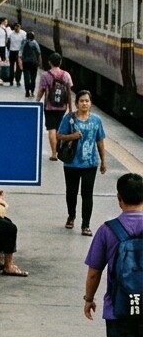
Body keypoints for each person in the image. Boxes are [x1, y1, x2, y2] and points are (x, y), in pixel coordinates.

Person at [82, 172, 143, 337]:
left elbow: (95, 270)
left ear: (119, 199)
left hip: (119, 311)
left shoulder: (109, 230)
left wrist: (89, 298)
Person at [59, 89, 107, 235]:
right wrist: (72, 136)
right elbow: (59, 135)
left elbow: (100, 140)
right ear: (76, 103)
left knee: (87, 194)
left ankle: (85, 225)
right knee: (71, 192)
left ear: (91, 103)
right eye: (81, 101)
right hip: (71, 162)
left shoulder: (96, 120)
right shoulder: (69, 119)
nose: (84, 103)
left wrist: (103, 160)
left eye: (87, 101)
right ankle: (71, 216)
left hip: (90, 163)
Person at [38, 53, 73, 160]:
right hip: (62, 107)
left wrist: (36, 102)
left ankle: (54, 154)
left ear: (49, 62)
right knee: (59, 129)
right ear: (60, 62)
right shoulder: (66, 75)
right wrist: (71, 108)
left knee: (51, 129)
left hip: (49, 107)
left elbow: (41, 91)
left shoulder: (45, 75)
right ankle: (59, 148)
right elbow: (69, 92)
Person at [20, 29, 41, 98]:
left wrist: (20, 61)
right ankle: (32, 91)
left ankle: (27, 92)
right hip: (34, 63)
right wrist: (40, 61)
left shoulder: (23, 42)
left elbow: (20, 52)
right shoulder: (35, 43)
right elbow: (38, 53)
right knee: (33, 78)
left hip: (25, 62)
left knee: (26, 77)